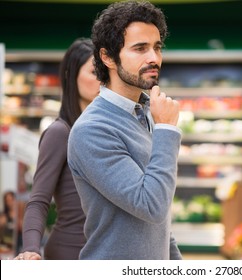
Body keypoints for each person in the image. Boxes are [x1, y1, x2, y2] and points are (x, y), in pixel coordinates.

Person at [67, 0, 182, 260]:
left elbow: (160, 218)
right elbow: (150, 205)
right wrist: (166, 128)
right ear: (107, 57)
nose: (154, 58)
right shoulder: (93, 129)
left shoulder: (145, 113)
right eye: (140, 48)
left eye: (157, 47)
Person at [14, 38, 100, 260]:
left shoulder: (109, 132)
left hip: (106, 254)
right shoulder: (60, 133)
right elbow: (39, 199)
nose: (103, 81)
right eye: (94, 72)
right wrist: (31, 249)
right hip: (69, 255)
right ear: (71, 76)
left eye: (106, 73)